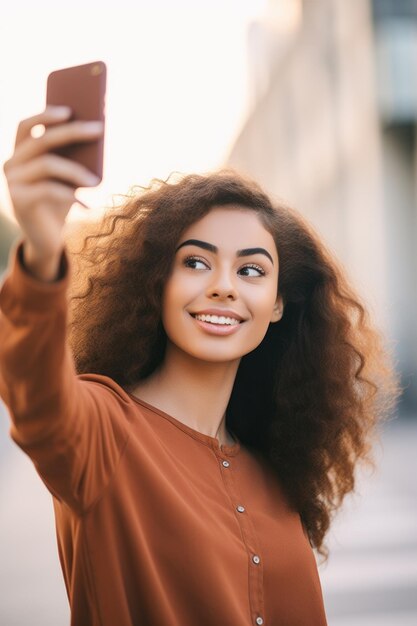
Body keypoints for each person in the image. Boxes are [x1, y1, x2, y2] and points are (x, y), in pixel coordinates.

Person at [0, 107, 398, 626]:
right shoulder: (102, 431)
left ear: (278, 304)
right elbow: (35, 390)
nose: (224, 285)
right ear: (158, 283)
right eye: (195, 262)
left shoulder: (271, 472)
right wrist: (42, 245)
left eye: (252, 269)